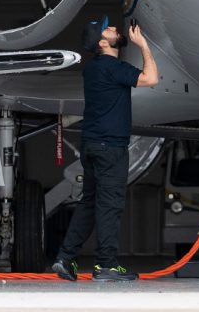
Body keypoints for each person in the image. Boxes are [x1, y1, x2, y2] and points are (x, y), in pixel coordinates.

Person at [52, 16, 158, 282]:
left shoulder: (93, 69)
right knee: (110, 206)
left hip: (92, 145)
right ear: (103, 42)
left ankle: (65, 258)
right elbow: (151, 78)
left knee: (89, 204)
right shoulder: (112, 67)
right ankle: (106, 265)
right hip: (110, 147)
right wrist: (142, 44)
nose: (114, 29)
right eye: (108, 29)